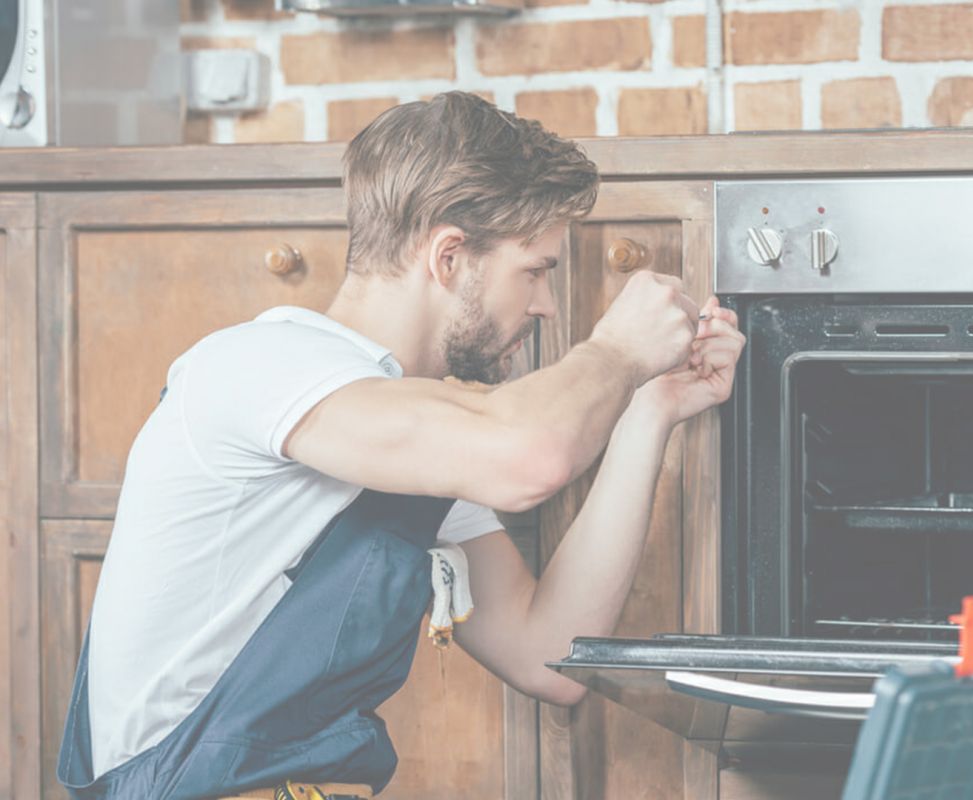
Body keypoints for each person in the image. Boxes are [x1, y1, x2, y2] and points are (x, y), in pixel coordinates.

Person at [56, 90, 745, 800]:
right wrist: (618, 352)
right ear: (449, 258)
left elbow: (548, 656)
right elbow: (528, 457)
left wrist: (649, 409)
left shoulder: (415, 436)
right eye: (535, 270)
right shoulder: (261, 365)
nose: (543, 306)